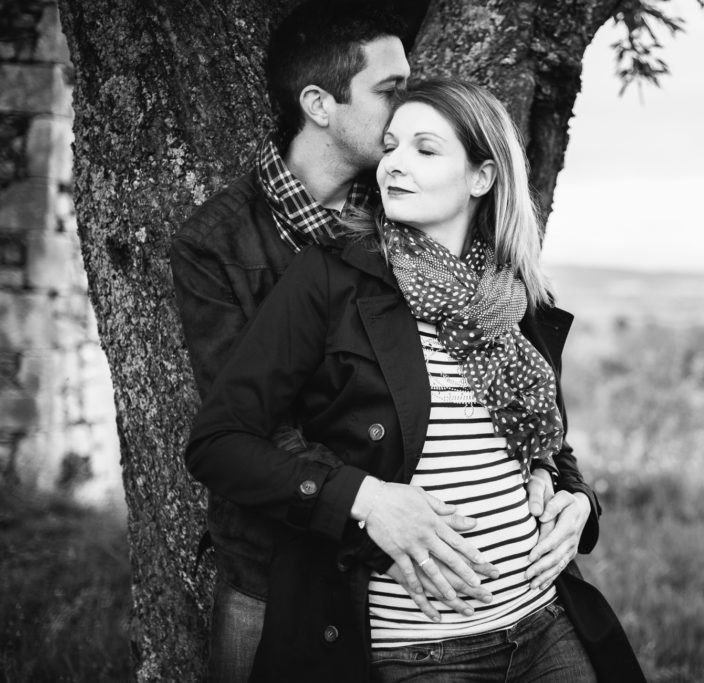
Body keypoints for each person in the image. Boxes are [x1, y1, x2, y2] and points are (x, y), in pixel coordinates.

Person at [170, 2, 613, 681]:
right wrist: (369, 499)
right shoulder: (275, 254)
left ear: (480, 177)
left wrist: (571, 493)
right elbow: (248, 431)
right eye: (391, 106)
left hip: (532, 616)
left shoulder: (482, 274)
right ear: (320, 104)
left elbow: (529, 426)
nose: (396, 159)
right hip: (310, 579)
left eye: (422, 143)